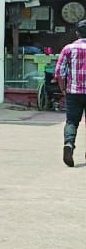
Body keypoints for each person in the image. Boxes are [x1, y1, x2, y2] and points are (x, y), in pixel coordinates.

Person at [54, 19, 86, 167]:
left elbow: (59, 73)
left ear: (77, 33)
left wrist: (63, 89)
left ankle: (69, 144)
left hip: (73, 92)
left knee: (72, 122)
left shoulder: (68, 48)